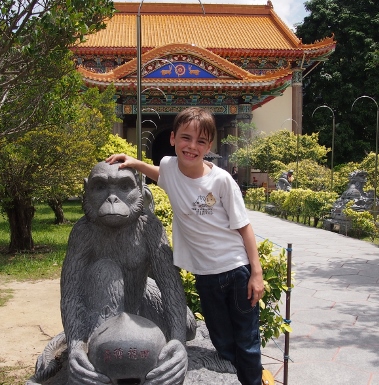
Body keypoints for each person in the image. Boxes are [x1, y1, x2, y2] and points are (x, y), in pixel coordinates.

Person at [106, 107, 266, 385]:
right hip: (205, 276)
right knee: (221, 340)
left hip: (236, 271)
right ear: (173, 138)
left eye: (201, 141)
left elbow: (244, 227)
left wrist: (256, 273)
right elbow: (159, 173)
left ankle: (252, 381)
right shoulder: (169, 166)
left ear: (209, 146)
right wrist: (133, 162)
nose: (192, 146)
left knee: (247, 341)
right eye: (186, 138)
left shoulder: (221, 180)